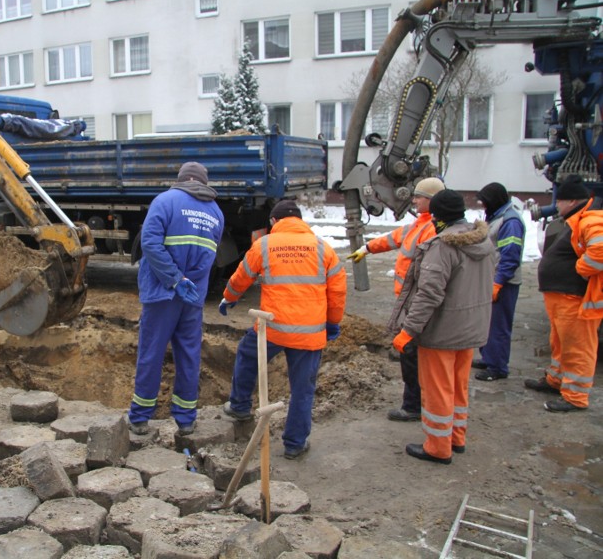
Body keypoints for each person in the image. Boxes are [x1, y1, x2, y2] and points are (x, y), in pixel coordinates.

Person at [219, 199, 346, 459]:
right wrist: (332, 323)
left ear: (274, 221)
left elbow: (240, 278)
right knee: (302, 388)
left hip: (272, 328)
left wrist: (228, 298)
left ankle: (241, 405)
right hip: (309, 333)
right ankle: (295, 444)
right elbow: (337, 293)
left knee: (247, 356)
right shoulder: (324, 249)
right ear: (300, 220)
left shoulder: (264, 245)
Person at [389, 189, 495, 464]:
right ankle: (456, 437)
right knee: (458, 387)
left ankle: (437, 446)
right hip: (470, 329)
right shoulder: (483, 241)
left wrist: (408, 331)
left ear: (438, 217)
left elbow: (428, 295)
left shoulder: (443, 247)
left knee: (437, 389)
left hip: (443, 331)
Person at [127, 161, 224, 435]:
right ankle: (185, 419)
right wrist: (188, 281)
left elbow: (150, 244)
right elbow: (211, 255)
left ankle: (139, 417)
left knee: (151, 353)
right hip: (192, 296)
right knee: (189, 356)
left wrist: (174, 279)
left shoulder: (166, 200)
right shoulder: (216, 212)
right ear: (203, 182)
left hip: (162, 293)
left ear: (182, 179)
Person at [348, 177, 445, 422]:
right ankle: (417, 400)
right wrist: (367, 248)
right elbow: (393, 238)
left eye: (419, 197)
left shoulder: (433, 229)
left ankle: (413, 405)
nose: (414, 200)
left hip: (417, 300)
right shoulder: (419, 224)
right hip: (408, 300)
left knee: (411, 353)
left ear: (432, 201)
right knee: (411, 352)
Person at [525, 174, 603, 412]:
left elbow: (599, 251)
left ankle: (575, 397)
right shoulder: (578, 219)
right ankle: (556, 380)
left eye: (559, 201)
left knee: (578, 346)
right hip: (561, 297)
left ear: (571, 201)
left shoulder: (590, 220)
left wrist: (580, 268)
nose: (556, 205)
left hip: (574, 298)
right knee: (560, 342)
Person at [473, 182, 526, 381]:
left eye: (485, 202)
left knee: (499, 325)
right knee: (488, 322)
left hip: (504, 282)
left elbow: (510, 256)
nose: (483, 206)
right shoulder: (497, 216)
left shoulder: (510, 222)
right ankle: (489, 357)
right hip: (491, 279)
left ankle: (498, 367)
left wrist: (498, 282)